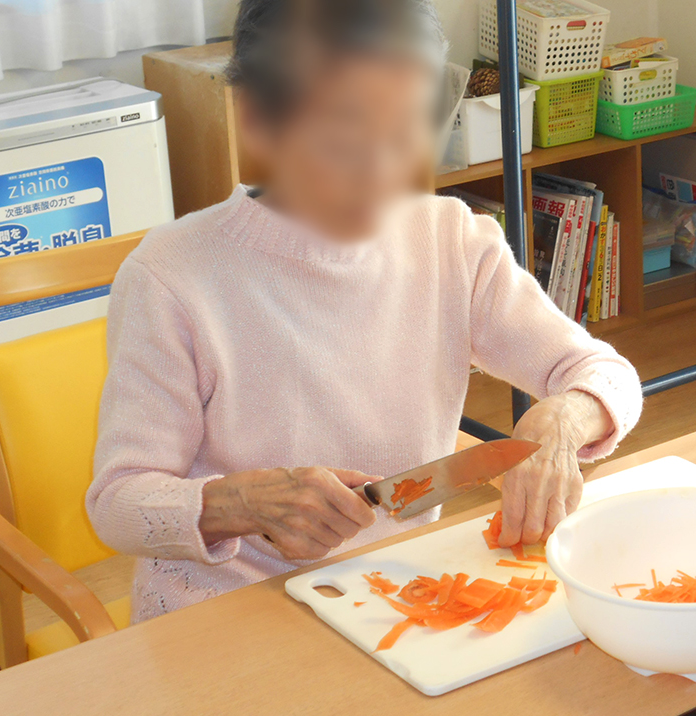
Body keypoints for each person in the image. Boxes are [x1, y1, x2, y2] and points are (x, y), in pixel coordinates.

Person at [86, 0, 642, 623]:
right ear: (258, 117)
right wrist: (242, 504)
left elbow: (605, 374)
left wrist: (563, 420)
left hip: (392, 597)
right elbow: (117, 504)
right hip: (222, 613)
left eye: (405, 130)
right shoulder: (171, 275)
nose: (382, 171)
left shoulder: (453, 240)